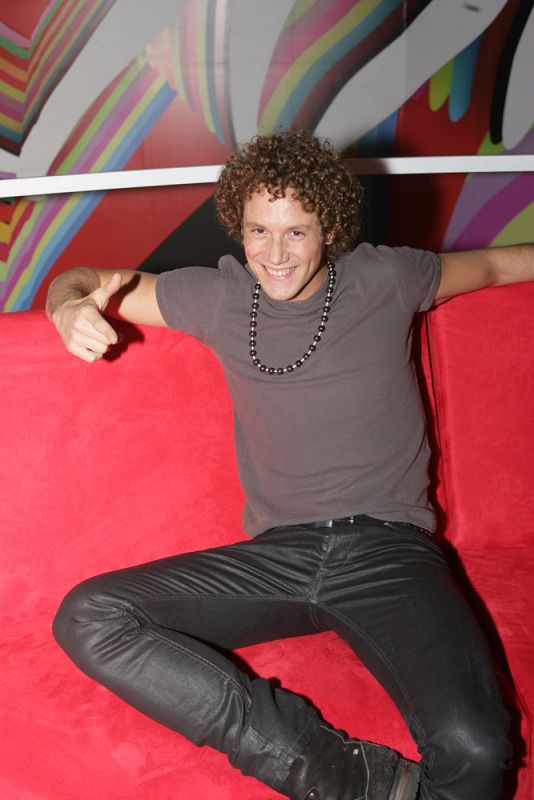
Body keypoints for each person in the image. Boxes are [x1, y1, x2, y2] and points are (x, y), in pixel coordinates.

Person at [46, 130, 532, 800]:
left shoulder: (388, 278)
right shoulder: (218, 297)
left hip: (389, 553)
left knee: (478, 752)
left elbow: (501, 266)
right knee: (90, 615)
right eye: (258, 231)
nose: (274, 255)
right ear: (238, 229)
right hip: (278, 559)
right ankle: (328, 767)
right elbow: (88, 279)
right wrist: (66, 305)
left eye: (296, 232)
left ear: (329, 227)